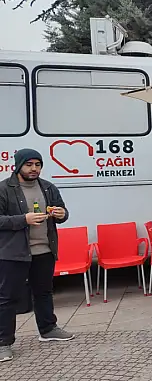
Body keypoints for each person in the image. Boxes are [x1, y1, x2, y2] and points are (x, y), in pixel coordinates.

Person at [0, 149, 74, 362]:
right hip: (14, 253)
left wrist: (62, 214)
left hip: (44, 250)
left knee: (43, 292)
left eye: (38, 164)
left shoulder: (48, 187)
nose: (34, 169)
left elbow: (63, 212)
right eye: (29, 164)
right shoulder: (4, 189)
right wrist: (23, 219)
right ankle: (3, 343)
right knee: (7, 298)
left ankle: (48, 329)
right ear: (18, 165)